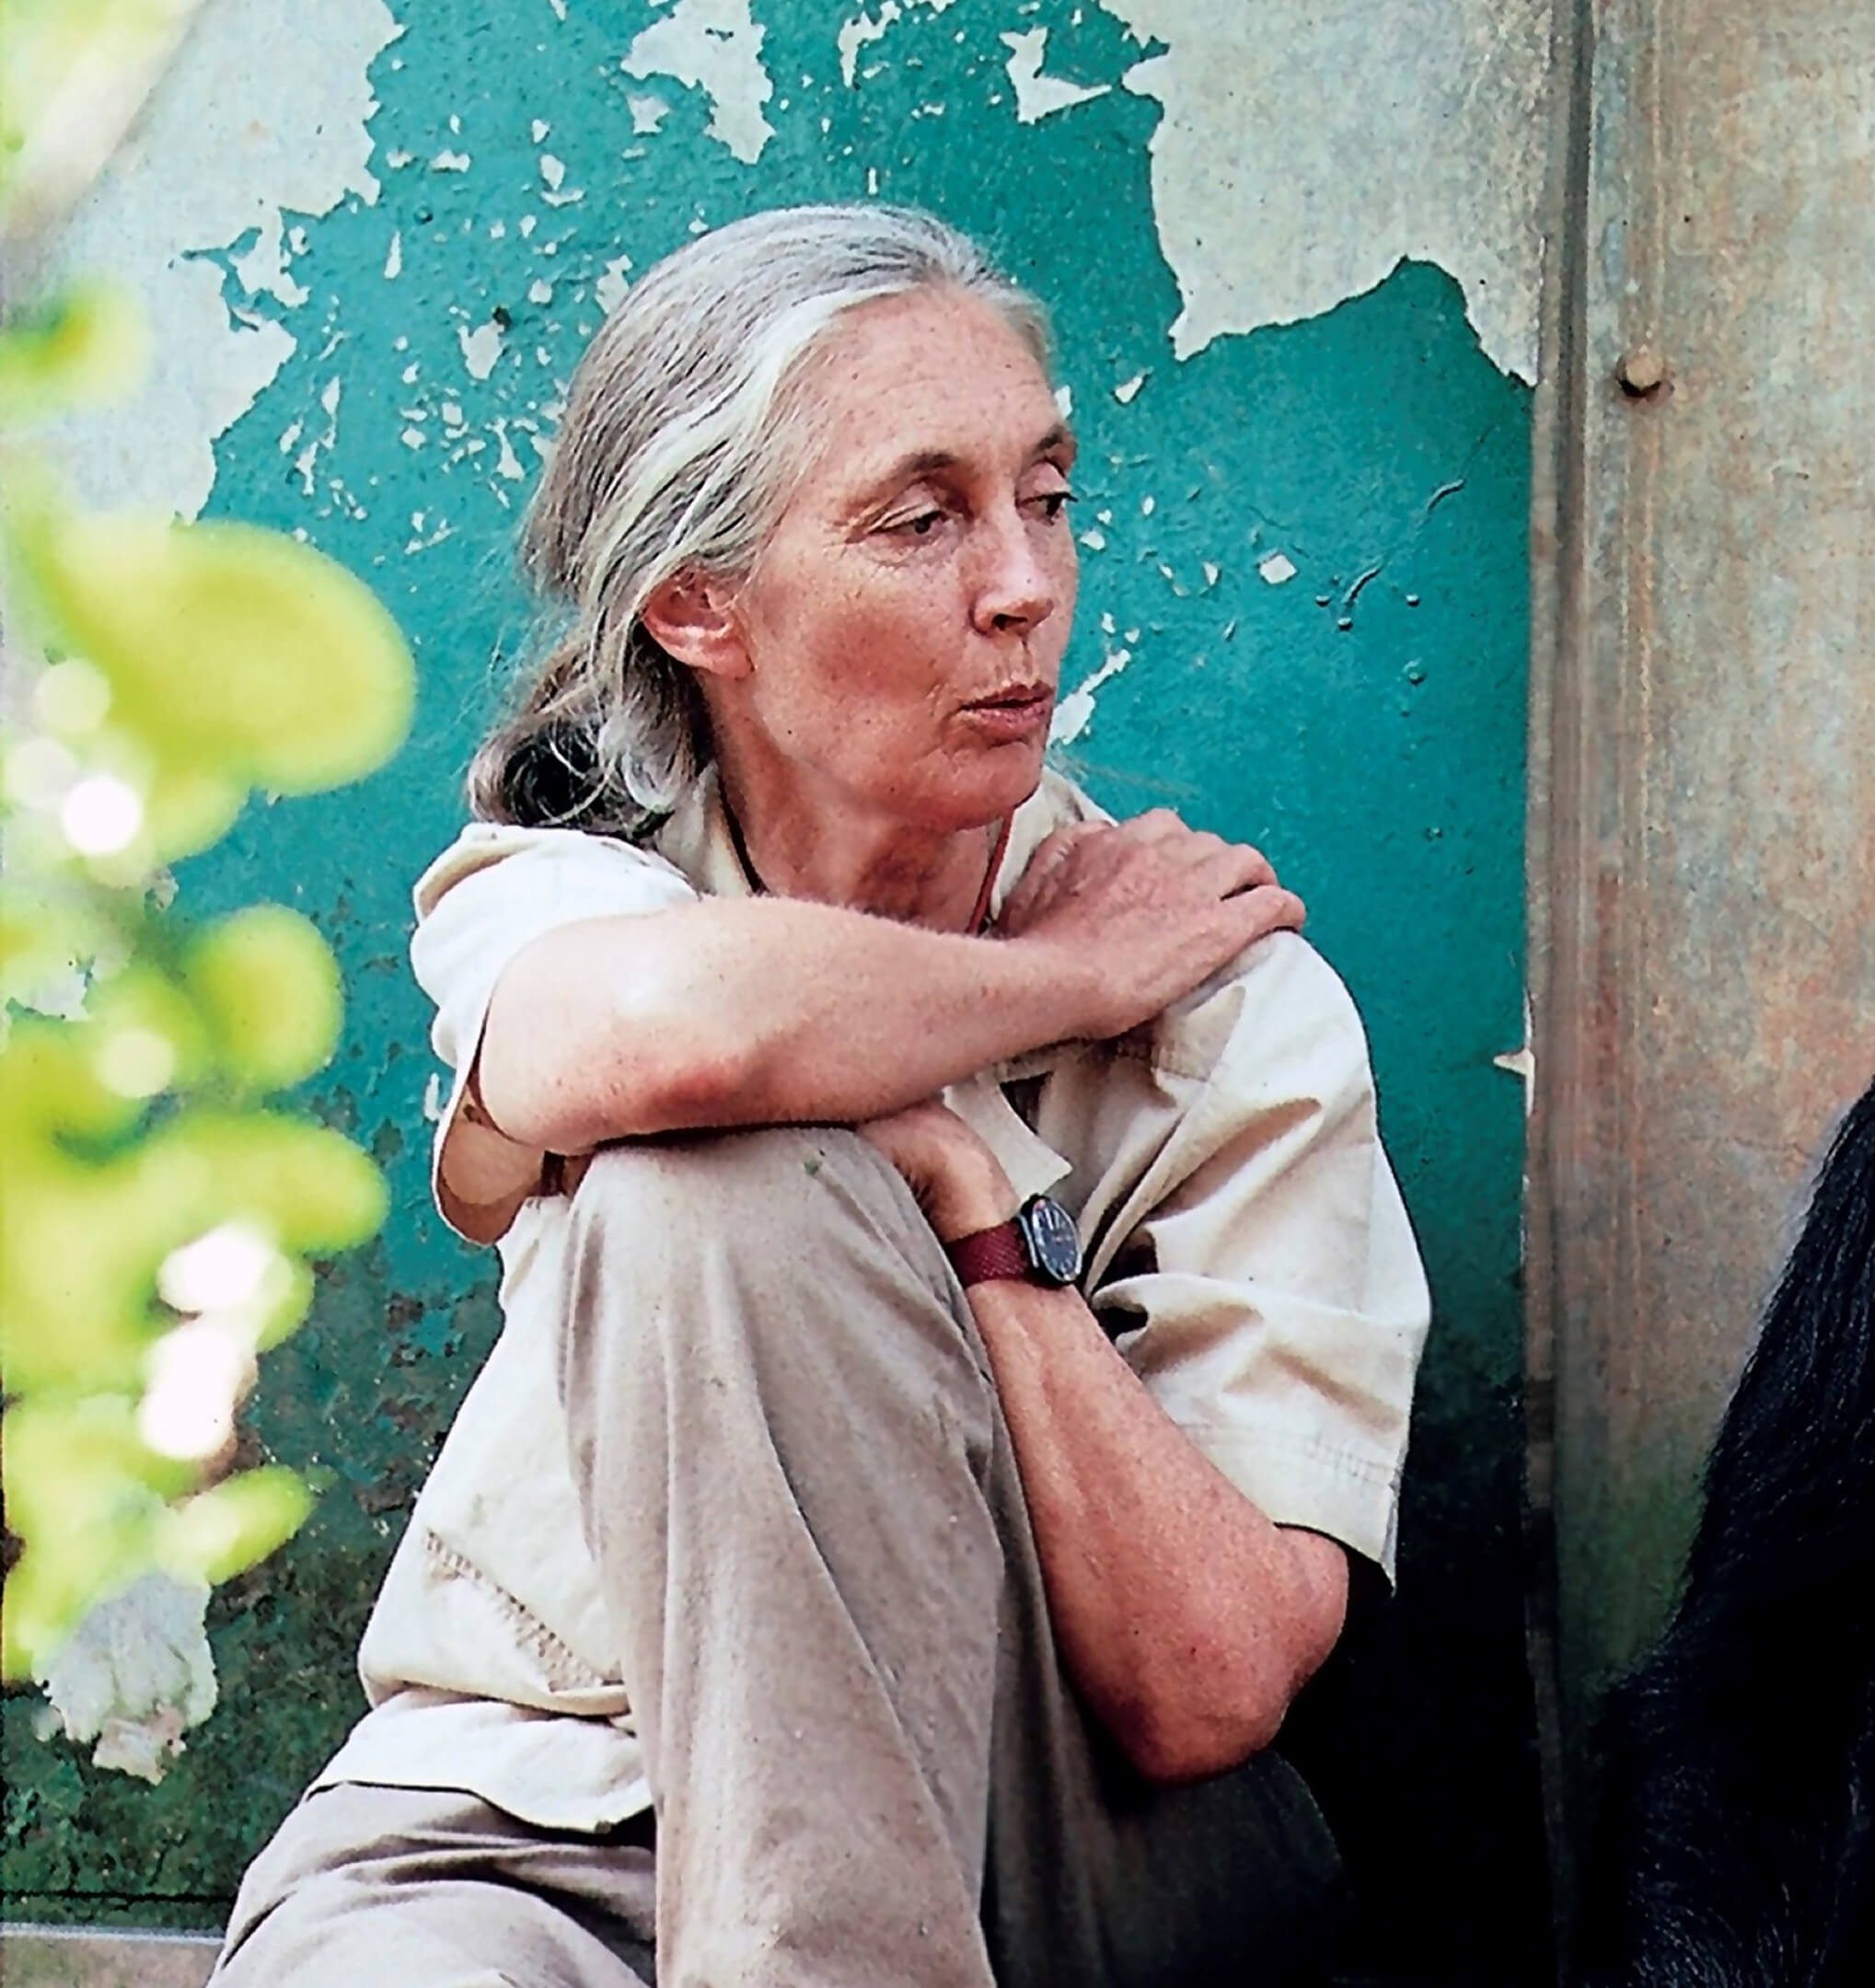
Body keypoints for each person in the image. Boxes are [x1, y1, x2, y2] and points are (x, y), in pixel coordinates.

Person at [211, 204, 1431, 1988]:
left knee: (726, 1178)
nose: (1021, 584)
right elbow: (643, 1039)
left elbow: (1209, 1684)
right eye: (920, 519)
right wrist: (1046, 995)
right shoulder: (574, 884)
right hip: (539, 1823)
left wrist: (988, 1216)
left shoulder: (1237, 1017)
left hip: (1050, 1854)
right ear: (699, 603)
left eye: (1048, 497)